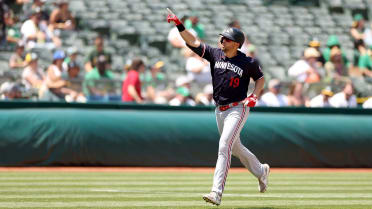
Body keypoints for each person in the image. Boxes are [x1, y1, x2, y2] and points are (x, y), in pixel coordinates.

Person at [167, 9, 269, 206]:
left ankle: (216, 192)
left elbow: (261, 79)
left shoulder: (247, 62)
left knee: (224, 146)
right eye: (222, 38)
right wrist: (179, 24)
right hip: (220, 109)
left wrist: (255, 95)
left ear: (237, 43)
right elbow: (193, 42)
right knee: (236, 147)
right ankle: (261, 171)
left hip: (237, 108)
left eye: (227, 39)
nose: (222, 41)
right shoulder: (215, 54)